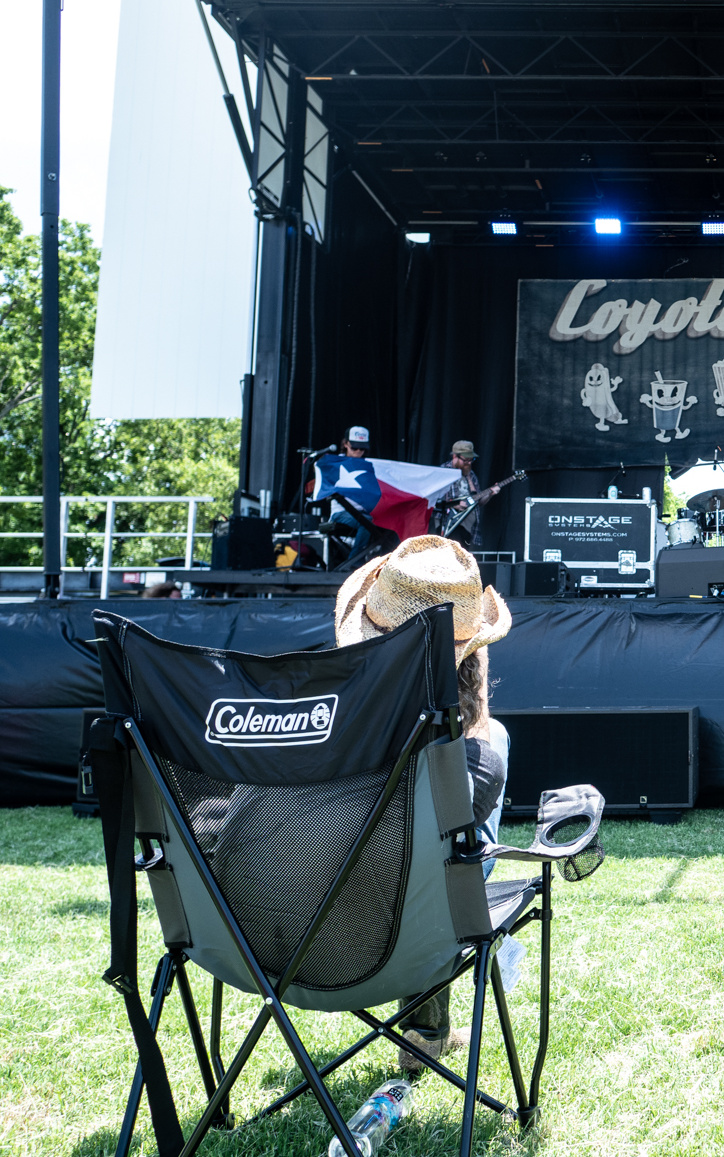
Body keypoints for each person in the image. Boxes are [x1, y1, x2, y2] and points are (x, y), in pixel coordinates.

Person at [334, 534, 512, 1071]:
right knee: (486, 758)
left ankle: (426, 1027)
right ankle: (423, 1030)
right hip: (410, 925)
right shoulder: (481, 757)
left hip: (292, 935)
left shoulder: (321, 730)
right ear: (469, 656)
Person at [320, 426, 375, 559]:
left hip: (365, 512)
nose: (358, 451)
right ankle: (355, 563)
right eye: (354, 447)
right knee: (367, 522)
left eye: (362, 449)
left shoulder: (370, 465)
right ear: (345, 444)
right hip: (341, 512)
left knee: (393, 522)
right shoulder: (334, 464)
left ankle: (386, 564)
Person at [436, 440, 499, 547]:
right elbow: (434, 500)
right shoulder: (443, 472)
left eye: (471, 460)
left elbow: (478, 502)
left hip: (468, 526)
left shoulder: (471, 475)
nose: (469, 463)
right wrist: (454, 504)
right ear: (455, 456)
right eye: (465, 460)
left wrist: (490, 494)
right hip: (449, 522)